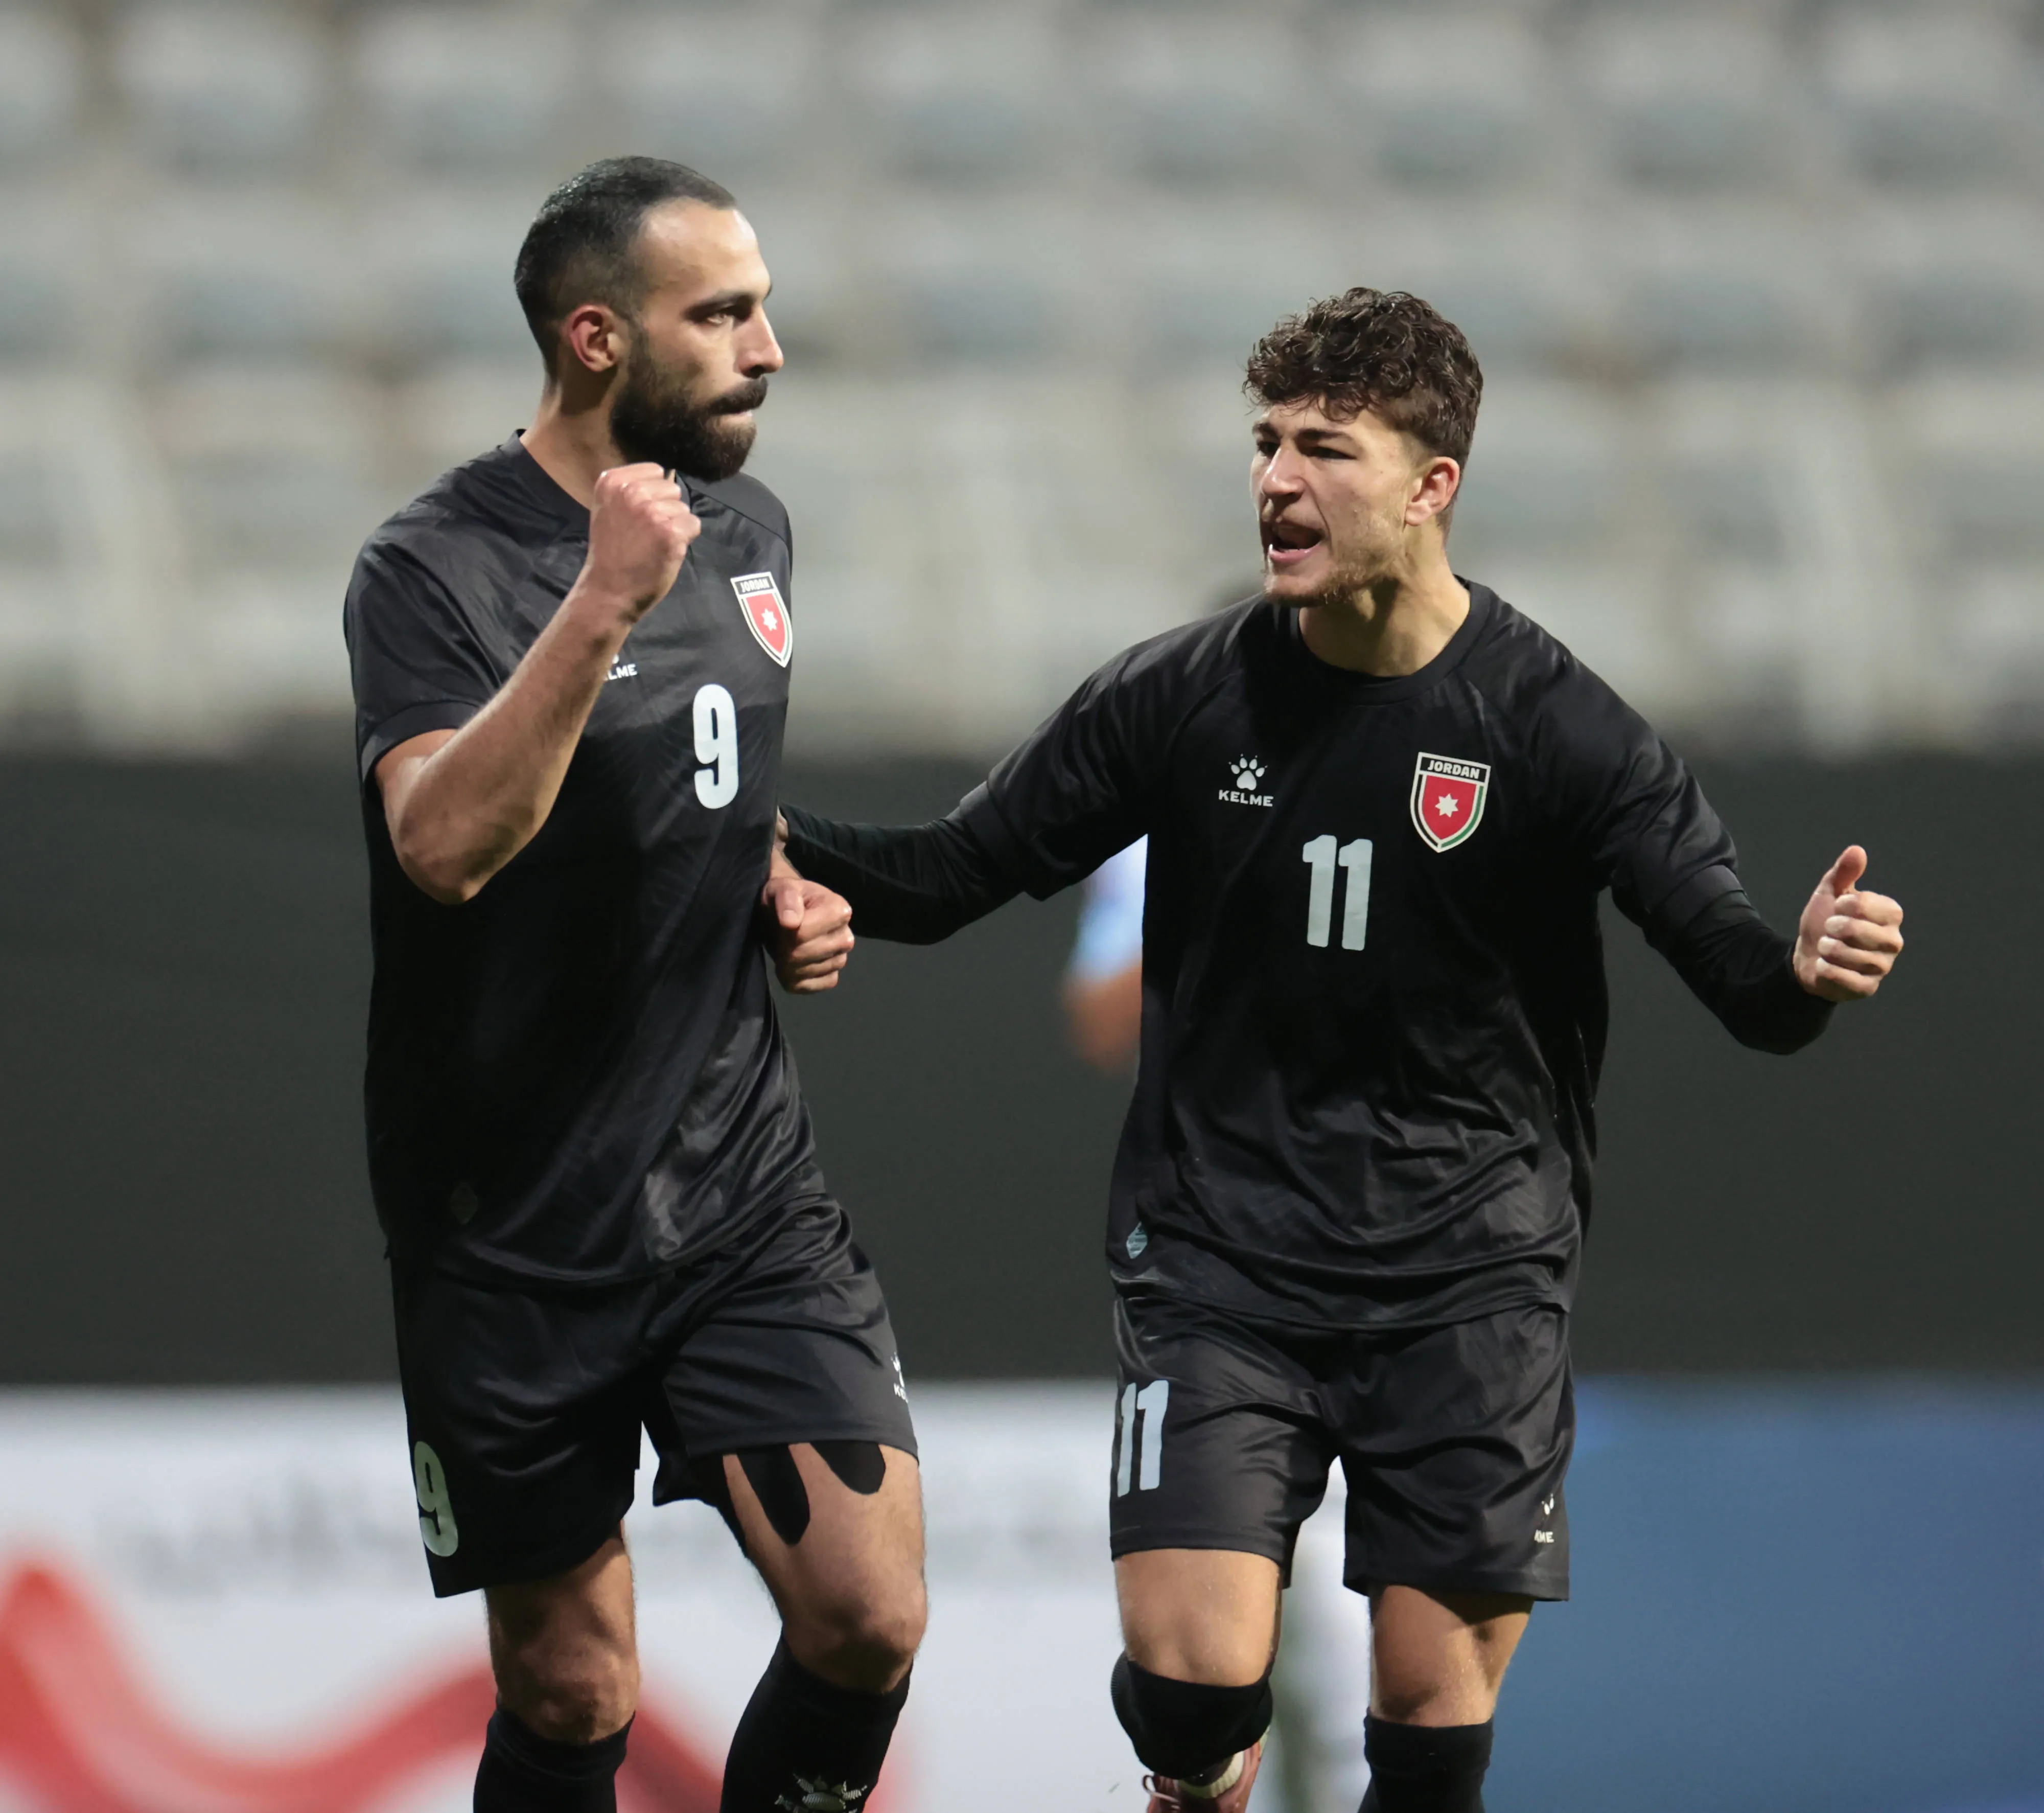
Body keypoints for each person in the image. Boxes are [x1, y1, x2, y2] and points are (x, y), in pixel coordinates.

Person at [777, 288, 1906, 1812]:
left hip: (1474, 1280)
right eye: (1266, 444)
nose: (1276, 482)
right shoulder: (1183, 696)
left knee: (1430, 1734)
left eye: (1326, 449)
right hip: (1222, 1267)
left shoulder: (1564, 731)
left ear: (1433, 486)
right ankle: (1201, 1775)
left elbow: (1746, 987)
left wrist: (1809, 969)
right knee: (1188, 1689)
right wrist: (737, 834)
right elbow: (947, 873)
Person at [342, 157, 921, 1813]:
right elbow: (444, 847)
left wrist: (781, 888)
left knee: (868, 1617)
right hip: (510, 1221)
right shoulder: (432, 569)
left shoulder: (753, 528)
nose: (770, 347)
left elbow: (714, 794)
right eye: (724, 313)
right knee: (576, 1684)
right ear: (597, 339)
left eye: (763, 306)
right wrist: (603, 600)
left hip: (740, 1190)